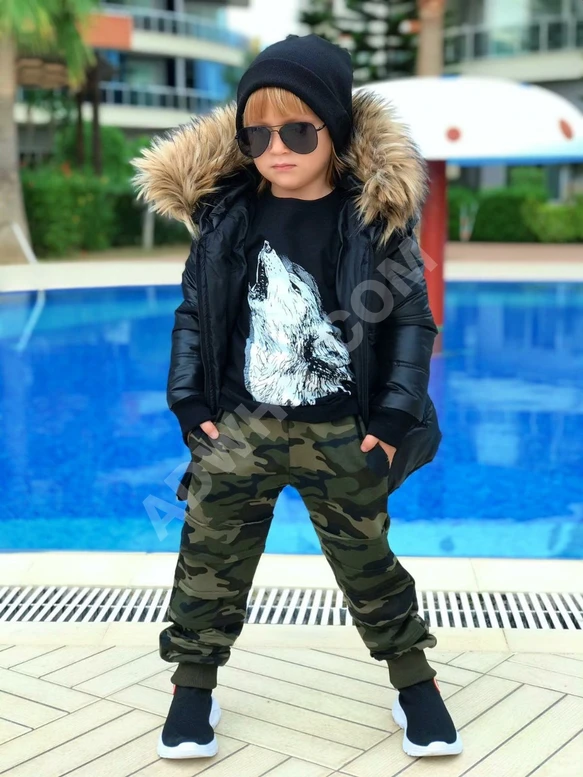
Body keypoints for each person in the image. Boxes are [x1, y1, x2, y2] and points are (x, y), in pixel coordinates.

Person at [133, 33, 461, 761]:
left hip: (342, 430)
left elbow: (411, 321)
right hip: (239, 429)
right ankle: (192, 688)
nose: (275, 147)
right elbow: (194, 314)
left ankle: (415, 681)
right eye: (257, 133)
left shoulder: (373, 218)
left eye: (297, 131)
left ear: (333, 130)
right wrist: (190, 405)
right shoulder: (226, 216)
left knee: (368, 563)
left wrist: (391, 419)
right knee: (209, 555)